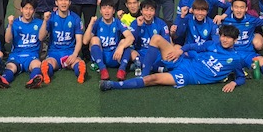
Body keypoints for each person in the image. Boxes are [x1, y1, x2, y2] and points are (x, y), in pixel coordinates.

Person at [99, 25, 249, 92]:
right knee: (156, 38)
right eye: (223, 36)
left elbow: (241, 77)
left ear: (235, 40)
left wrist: (234, 83)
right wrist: (180, 51)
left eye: (229, 38)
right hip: (185, 61)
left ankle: (113, 85)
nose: (225, 40)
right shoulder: (212, 44)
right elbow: (192, 46)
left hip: (188, 75)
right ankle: (144, 73)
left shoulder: (236, 59)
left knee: (153, 79)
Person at [0, 0, 48, 89]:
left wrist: (45, 21)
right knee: (11, 67)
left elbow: (41, 38)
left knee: (36, 64)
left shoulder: (39, 23)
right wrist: (10, 25)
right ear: (21, 9)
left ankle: (34, 80)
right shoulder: (15, 23)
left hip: (31, 55)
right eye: (26, 8)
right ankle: (3, 80)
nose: (28, 12)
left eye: (31, 9)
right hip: (17, 55)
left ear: (34, 11)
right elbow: (7, 40)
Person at [220, 0, 263, 80]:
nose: (239, 10)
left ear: (246, 9)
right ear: (232, 8)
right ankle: (235, 73)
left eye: (242, 7)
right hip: (230, 52)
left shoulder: (251, 20)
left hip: (247, 52)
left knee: (261, 60)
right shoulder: (225, 20)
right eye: (236, 7)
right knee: (223, 61)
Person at [40, 0, 87, 84]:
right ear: (56, 2)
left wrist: (74, 54)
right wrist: (45, 21)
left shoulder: (75, 18)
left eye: (66, 0)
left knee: (77, 62)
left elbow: (79, 40)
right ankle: (46, 72)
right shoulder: (51, 17)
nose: (63, 2)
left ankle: (80, 72)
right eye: (61, 0)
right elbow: (41, 37)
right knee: (49, 63)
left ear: (69, 2)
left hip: (70, 52)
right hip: (54, 52)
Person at [83, 0, 134, 81]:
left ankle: (122, 70)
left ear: (113, 11)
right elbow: (85, 41)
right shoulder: (97, 22)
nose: (107, 11)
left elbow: (131, 37)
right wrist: (90, 24)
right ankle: (103, 69)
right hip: (101, 56)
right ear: (100, 11)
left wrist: (121, 47)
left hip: (115, 56)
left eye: (109, 8)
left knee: (125, 41)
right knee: (94, 39)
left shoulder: (117, 22)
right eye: (104, 8)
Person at [129, 0, 170, 76]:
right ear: (141, 11)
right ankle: (155, 68)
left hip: (156, 54)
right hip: (141, 53)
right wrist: (138, 27)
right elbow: (131, 41)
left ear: (155, 12)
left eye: (151, 10)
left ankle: (140, 65)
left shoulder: (161, 23)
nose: (149, 13)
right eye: (146, 10)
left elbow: (166, 42)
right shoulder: (135, 23)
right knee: (130, 51)